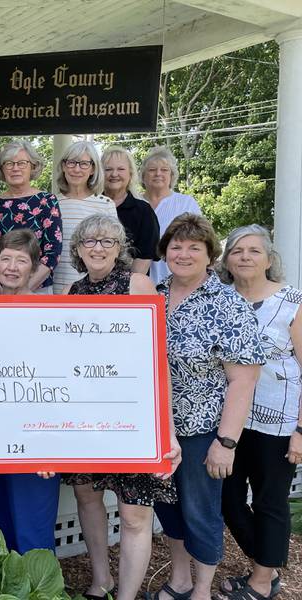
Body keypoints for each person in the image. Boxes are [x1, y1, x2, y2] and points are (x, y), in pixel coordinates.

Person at [63, 214, 181, 600]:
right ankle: (101, 581)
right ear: (78, 250)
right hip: (84, 415)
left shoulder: (138, 285)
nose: (98, 248)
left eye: (107, 241)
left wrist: (167, 428)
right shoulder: (72, 294)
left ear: (120, 249)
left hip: (133, 413)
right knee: (87, 497)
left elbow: (157, 358)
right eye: (90, 242)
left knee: (133, 513)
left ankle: (128, 596)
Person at [149, 213, 264, 600]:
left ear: (209, 255)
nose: (182, 254)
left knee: (201, 513)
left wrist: (226, 442)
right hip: (157, 429)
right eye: (175, 246)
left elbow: (243, 379)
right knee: (169, 510)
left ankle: (200, 589)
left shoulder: (229, 306)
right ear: (165, 252)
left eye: (193, 247)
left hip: (202, 432)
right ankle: (180, 579)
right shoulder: (153, 296)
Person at [216, 225, 301, 600]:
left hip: (278, 421)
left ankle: (262, 580)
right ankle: (266, 560)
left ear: (269, 259)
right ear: (227, 260)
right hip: (230, 419)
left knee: (269, 500)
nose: (245, 257)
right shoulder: (219, 299)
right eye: (237, 251)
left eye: (253, 251)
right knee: (228, 500)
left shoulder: (292, 302)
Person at [0, 229, 61, 553]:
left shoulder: (51, 316)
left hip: (34, 441)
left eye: (21, 260)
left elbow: (59, 384)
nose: (12, 267)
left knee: (33, 537)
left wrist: (47, 444)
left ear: (34, 267)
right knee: (2, 531)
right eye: (6, 259)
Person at [0, 139, 62, 294]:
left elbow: (53, 252)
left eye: (22, 163)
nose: (15, 168)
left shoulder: (47, 201)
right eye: (9, 163)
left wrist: (24, 291)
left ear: (33, 166)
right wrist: (1, 292)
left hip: (37, 290)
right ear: (2, 169)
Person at [52, 140, 117, 294]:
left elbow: (113, 250)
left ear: (93, 169)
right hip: (55, 287)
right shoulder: (51, 203)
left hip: (93, 289)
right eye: (71, 163)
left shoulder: (106, 204)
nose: (76, 169)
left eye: (83, 164)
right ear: (63, 166)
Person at [140, 146, 201, 284]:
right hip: (137, 284)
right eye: (152, 170)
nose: (158, 173)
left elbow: (200, 242)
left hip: (176, 281)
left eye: (164, 170)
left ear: (172, 175)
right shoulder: (134, 203)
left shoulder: (186, 203)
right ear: (143, 176)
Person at [101, 145, 160, 275]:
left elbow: (144, 259)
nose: (114, 174)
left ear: (130, 173)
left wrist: (125, 290)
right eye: (108, 169)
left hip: (129, 288)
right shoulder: (91, 206)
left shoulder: (144, 212)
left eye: (121, 169)